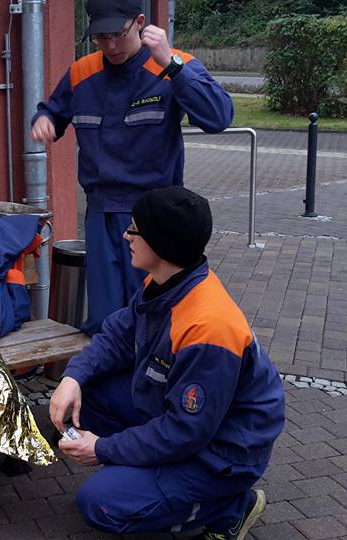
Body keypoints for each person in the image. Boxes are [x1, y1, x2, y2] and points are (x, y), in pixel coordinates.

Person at [49, 186, 285, 540]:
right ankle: (148, 478)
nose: (125, 235)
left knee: (101, 504)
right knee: (89, 395)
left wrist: (101, 449)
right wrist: (73, 378)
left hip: (224, 454)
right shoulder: (165, 282)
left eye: (134, 230)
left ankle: (231, 506)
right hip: (187, 421)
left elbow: (185, 431)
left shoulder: (209, 329)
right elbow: (117, 334)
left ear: (160, 244)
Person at [31, 0, 234, 335]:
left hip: (154, 218)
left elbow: (219, 117)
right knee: (105, 319)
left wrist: (172, 64)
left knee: (154, 314)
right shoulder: (82, 72)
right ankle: (108, 383)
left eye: (117, 35)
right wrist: (44, 120)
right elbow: (53, 109)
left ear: (140, 23)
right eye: (100, 37)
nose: (109, 45)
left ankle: (153, 381)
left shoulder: (171, 66)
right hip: (101, 216)